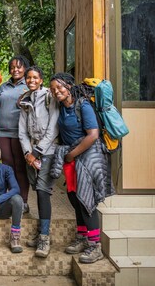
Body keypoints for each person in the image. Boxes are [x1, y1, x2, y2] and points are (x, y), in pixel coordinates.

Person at [49, 72, 113, 264]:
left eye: (59, 87)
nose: (56, 91)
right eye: (53, 89)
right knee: (75, 198)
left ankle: (95, 246)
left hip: (88, 156)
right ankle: (83, 237)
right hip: (72, 158)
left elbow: (93, 135)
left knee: (87, 200)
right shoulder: (62, 106)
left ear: (69, 85)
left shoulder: (83, 105)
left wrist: (72, 154)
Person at [18, 66, 59, 258]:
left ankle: (44, 237)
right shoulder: (26, 100)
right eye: (28, 78)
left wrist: (36, 152)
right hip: (31, 152)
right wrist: (28, 153)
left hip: (48, 150)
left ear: (41, 80)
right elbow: (22, 131)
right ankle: (41, 231)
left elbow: (53, 129)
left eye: (35, 78)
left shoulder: (50, 97)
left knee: (43, 191)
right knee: (37, 189)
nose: (31, 80)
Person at [0, 55, 30, 214]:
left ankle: (23, 201)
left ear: (24, 68)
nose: (15, 70)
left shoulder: (29, 85)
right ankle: (10, 199)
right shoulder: (3, 86)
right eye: (12, 67)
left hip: (20, 133)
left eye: (19, 67)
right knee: (7, 165)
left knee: (20, 166)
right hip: (2, 131)